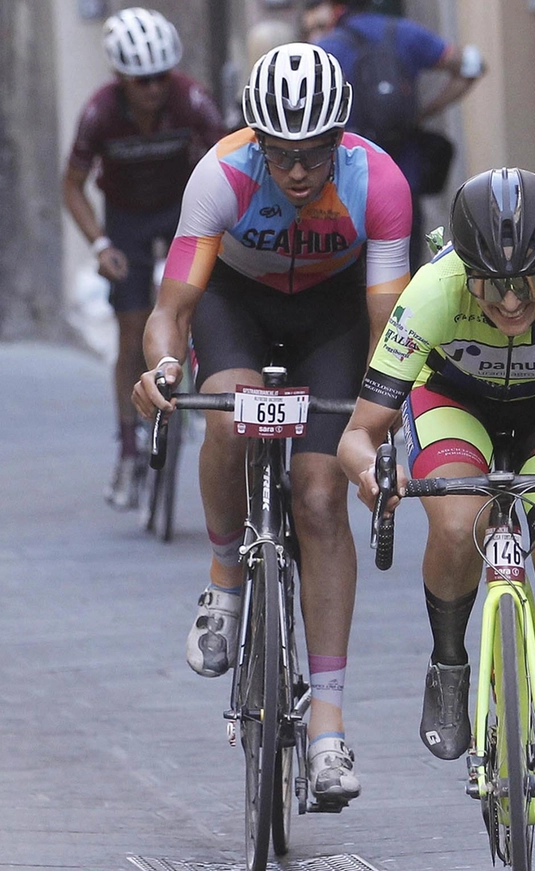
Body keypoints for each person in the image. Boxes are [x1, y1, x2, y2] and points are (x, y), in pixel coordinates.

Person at [337, 168, 535, 871]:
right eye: (493, 283)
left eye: (528, 282)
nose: (511, 300)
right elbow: (361, 431)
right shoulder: (431, 291)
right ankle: (450, 660)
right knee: (455, 523)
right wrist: (370, 472)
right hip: (453, 404)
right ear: (464, 269)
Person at [132, 42, 412, 811]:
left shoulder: (378, 180)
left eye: (313, 154)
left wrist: (387, 415)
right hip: (237, 307)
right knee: (229, 417)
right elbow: (172, 310)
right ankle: (226, 580)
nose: (295, 171)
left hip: (333, 316)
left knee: (320, 497)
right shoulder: (219, 174)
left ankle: (327, 729)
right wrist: (162, 370)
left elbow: (391, 318)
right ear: (256, 141)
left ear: (339, 141)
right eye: (280, 154)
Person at [63, 7, 223, 509]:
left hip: (182, 210)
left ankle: (195, 382)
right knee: (131, 329)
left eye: (161, 77)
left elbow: (229, 160)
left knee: (192, 305)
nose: (154, 88)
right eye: (141, 80)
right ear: (119, 78)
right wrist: (99, 245)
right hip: (127, 218)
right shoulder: (100, 112)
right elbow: (72, 185)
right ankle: (129, 445)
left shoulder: (191, 98)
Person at [307, 0, 483, 269]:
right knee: (402, 280)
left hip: (343, 187)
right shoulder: (403, 33)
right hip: (402, 180)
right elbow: (472, 66)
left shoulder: (324, 50)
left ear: (333, 8)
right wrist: (427, 110)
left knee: (348, 285)